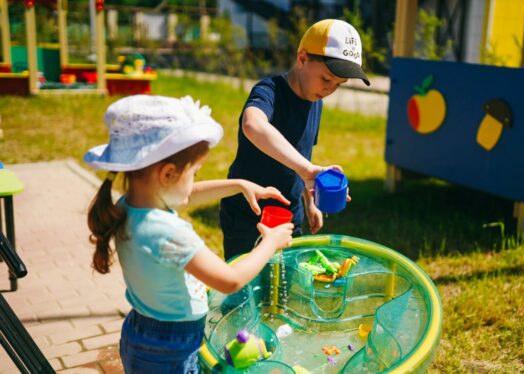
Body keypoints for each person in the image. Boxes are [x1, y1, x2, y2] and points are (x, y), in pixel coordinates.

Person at [85, 95, 293, 373]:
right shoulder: (166, 232)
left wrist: (240, 184)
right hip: (170, 349)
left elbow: (185, 195)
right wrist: (270, 242)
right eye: (194, 172)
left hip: (142, 331)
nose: (195, 181)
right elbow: (229, 281)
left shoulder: (130, 204)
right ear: (168, 174)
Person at [220, 19, 368, 259]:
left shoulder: (315, 101)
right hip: (248, 214)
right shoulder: (270, 91)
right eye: (327, 79)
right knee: (245, 286)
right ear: (302, 58)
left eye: (339, 85)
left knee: (284, 287)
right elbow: (253, 124)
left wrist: (310, 200)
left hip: (289, 215)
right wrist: (308, 169)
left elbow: (302, 153)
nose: (330, 89)